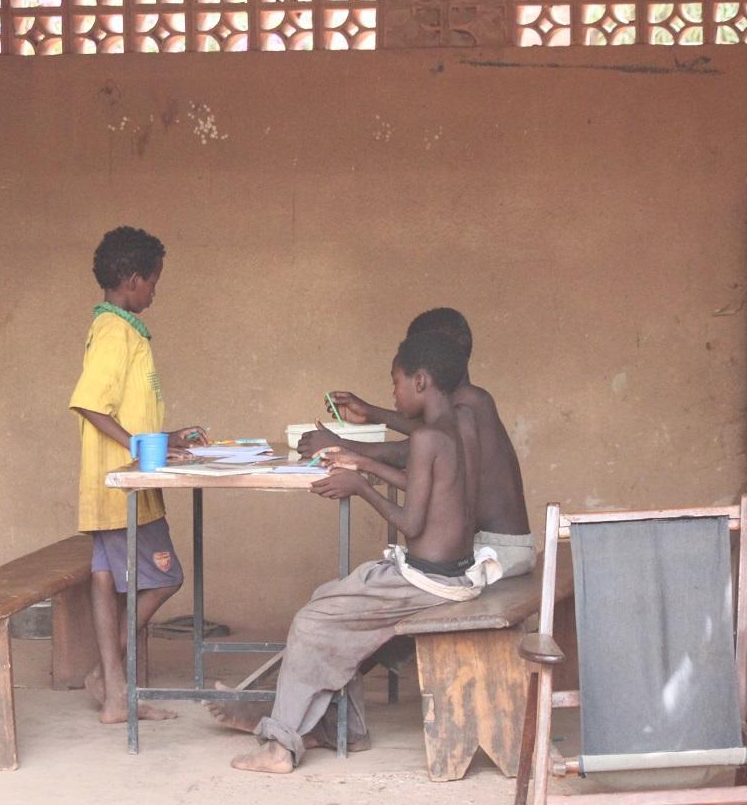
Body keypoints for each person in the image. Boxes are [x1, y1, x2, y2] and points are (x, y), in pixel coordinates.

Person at [213, 331, 496, 773]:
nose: (394, 394)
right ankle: (349, 728)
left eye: (396, 384)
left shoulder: (425, 440)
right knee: (327, 595)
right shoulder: (461, 429)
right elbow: (436, 489)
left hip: (425, 581)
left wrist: (361, 485)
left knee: (312, 621)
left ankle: (279, 747)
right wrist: (363, 463)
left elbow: (411, 523)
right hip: (457, 572)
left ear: (420, 382)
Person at [68, 225, 207, 725]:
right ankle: (104, 673)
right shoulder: (114, 331)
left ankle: (112, 693)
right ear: (131, 280)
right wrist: (141, 447)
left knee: (105, 581)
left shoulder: (121, 328)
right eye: (153, 281)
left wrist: (167, 437)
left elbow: (127, 409)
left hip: (111, 482)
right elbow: (89, 402)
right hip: (123, 483)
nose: (155, 291)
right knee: (168, 575)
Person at [298, 307, 534, 579]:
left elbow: (406, 452)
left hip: (495, 551)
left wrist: (340, 445)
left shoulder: (469, 405)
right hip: (497, 547)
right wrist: (371, 414)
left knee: (397, 577)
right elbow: (426, 435)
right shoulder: (465, 404)